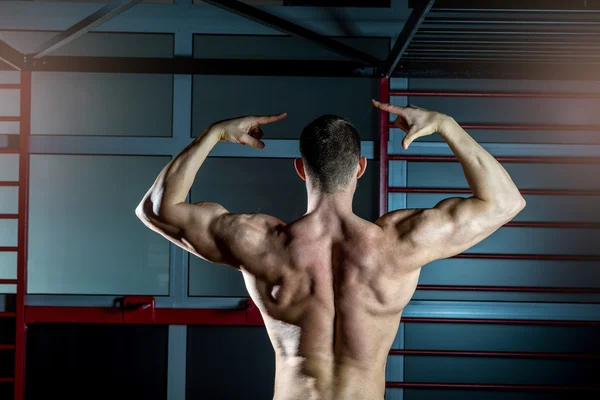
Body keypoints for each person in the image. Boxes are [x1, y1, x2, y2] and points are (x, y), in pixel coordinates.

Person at [136, 101, 526, 400]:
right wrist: (446, 125)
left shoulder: (261, 243)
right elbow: (505, 202)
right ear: (360, 167)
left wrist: (213, 134)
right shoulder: (399, 243)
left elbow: (155, 209)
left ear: (301, 169)